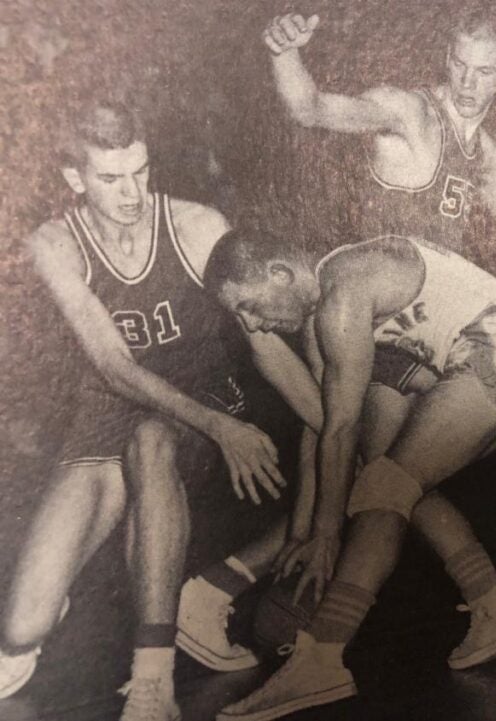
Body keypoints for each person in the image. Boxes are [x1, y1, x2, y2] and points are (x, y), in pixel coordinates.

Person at [256, 5, 496, 652]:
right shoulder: (409, 112)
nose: (467, 81)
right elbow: (313, 108)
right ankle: (471, 607)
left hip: (430, 331)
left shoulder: (482, 147)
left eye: (483, 70)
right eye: (458, 64)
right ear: (446, 61)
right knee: (388, 473)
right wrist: (281, 52)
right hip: (374, 332)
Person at [204, 228, 496, 720]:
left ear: (280, 274)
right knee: (390, 478)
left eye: (248, 305)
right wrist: (310, 527)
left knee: (384, 487)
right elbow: (328, 428)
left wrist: (328, 535)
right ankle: (493, 609)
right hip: (482, 355)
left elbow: (341, 430)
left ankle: (322, 661)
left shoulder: (343, 291)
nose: (251, 323)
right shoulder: (321, 316)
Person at [0, 97, 285, 720]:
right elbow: (111, 367)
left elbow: (263, 329)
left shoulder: (195, 224)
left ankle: (152, 678)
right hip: (109, 414)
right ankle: (85, 568)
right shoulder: (55, 243)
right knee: (21, 629)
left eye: (141, 171)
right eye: (111, 178)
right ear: (76, 180)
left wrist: (318, 414)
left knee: (152, 442)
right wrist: (221, 427)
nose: (132, 192)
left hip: (198, 411)